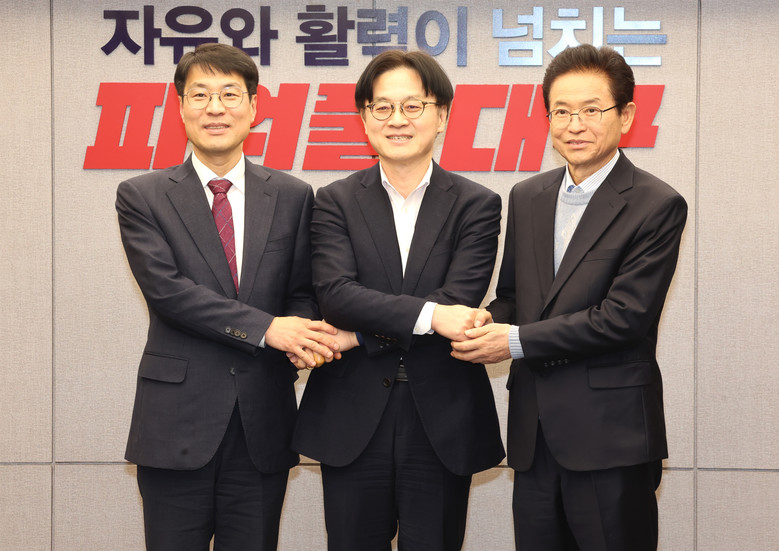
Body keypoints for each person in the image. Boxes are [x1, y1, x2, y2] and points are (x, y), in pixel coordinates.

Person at [452, 44, 687, 550]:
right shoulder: (528, 196)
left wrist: (512, 341)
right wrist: (482, 321)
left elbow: (623, 317)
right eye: (561, 111)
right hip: (534, 435)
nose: (574, 125)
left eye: (591, 110)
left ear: (626, 115)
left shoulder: (657, 204)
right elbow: (514, 296)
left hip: (611, 438)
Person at [115, 43, 340, 551]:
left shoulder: (292, 196)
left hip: (262, 421)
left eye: (229, 94)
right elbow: (168, 291)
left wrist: (300, 335)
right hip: (176, 424)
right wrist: (268, 329)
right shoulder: (142, 195)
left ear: (253, 107)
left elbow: (301, 291)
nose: (215, 108)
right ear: (180, 107)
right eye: (200, 95)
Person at [291, 50, 505, 551]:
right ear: (365, 118)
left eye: (413, 106)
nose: (397, 120)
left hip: (442, 415)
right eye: (382, 107)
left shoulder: (477, 204)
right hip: (351, 412)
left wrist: (360, 335)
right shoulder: (333, 200)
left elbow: (460, 301)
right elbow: (336, 296)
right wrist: (430, 316)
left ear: (442, 115)